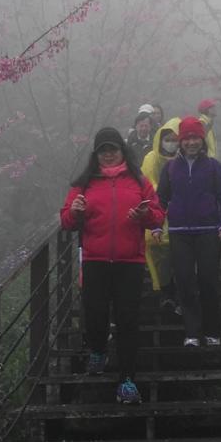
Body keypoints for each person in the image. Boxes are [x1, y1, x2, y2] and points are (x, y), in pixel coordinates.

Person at [60, 127, 165, 403]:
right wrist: (74, 212)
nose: (108, 154)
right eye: (103, 150)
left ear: (122, 151)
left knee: (128, 320)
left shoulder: (139, 181)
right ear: (95, 155)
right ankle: (98, 349)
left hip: (129, 263)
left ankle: (127, 380)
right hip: (94, 260)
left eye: (113, 149)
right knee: (94, 314)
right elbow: (66, 221)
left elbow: (157, 216)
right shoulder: (83, 183)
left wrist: (145, 215)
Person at [155, 116, 221, 346]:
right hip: (180, 232)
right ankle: (191, 332)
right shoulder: (170, 168)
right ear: (180, 141)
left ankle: (212, 331)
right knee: (185, 280)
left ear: (202, 140)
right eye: (187, 138)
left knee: (208, 280)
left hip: (209, 230)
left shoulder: (213, 167)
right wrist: (156, 225)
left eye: (195, 138)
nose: (191, 142)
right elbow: (161, 199)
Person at [140, 118, 181, 310]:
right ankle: (166, 293)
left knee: (183, 256)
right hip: (160, 212)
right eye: (168, 139)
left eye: (175, 139)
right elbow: (148, 182)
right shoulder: (152, 158)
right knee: (161, 256)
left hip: (184, 215)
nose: (171, 143)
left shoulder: (186, 158)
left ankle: (181, 294)